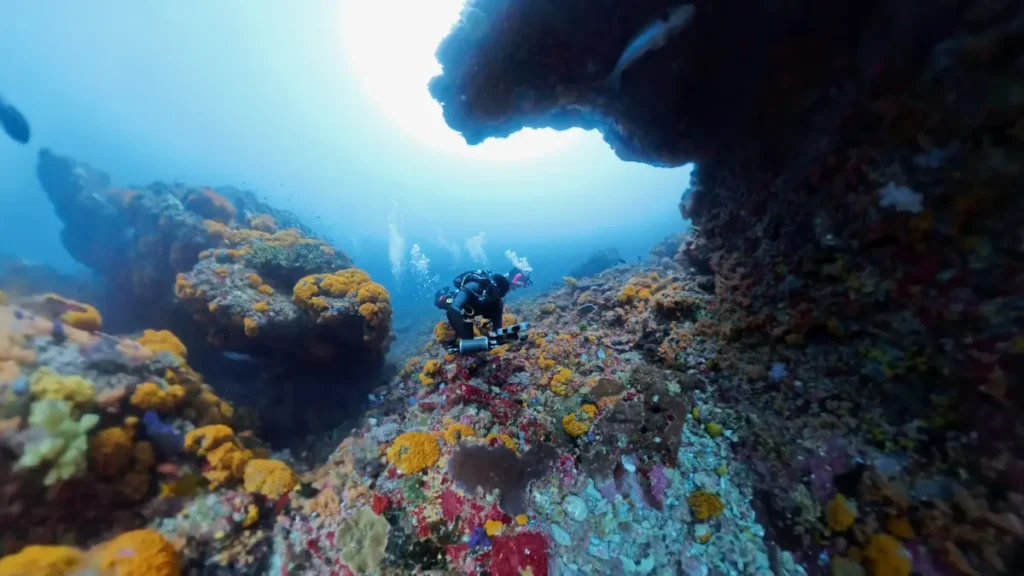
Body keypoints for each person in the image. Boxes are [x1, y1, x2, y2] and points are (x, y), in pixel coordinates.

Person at [434, 269, 513, 342]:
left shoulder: (498, 304)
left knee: (468, 339)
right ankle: (441, 293)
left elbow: (497, 328)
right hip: (463, 307)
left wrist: (495, 338)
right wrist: (461, 333)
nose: (494, 297)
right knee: (440, 303)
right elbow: (454, 309)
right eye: (494, 291)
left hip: (473, 314)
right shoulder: (473, 287)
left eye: (499, 295)